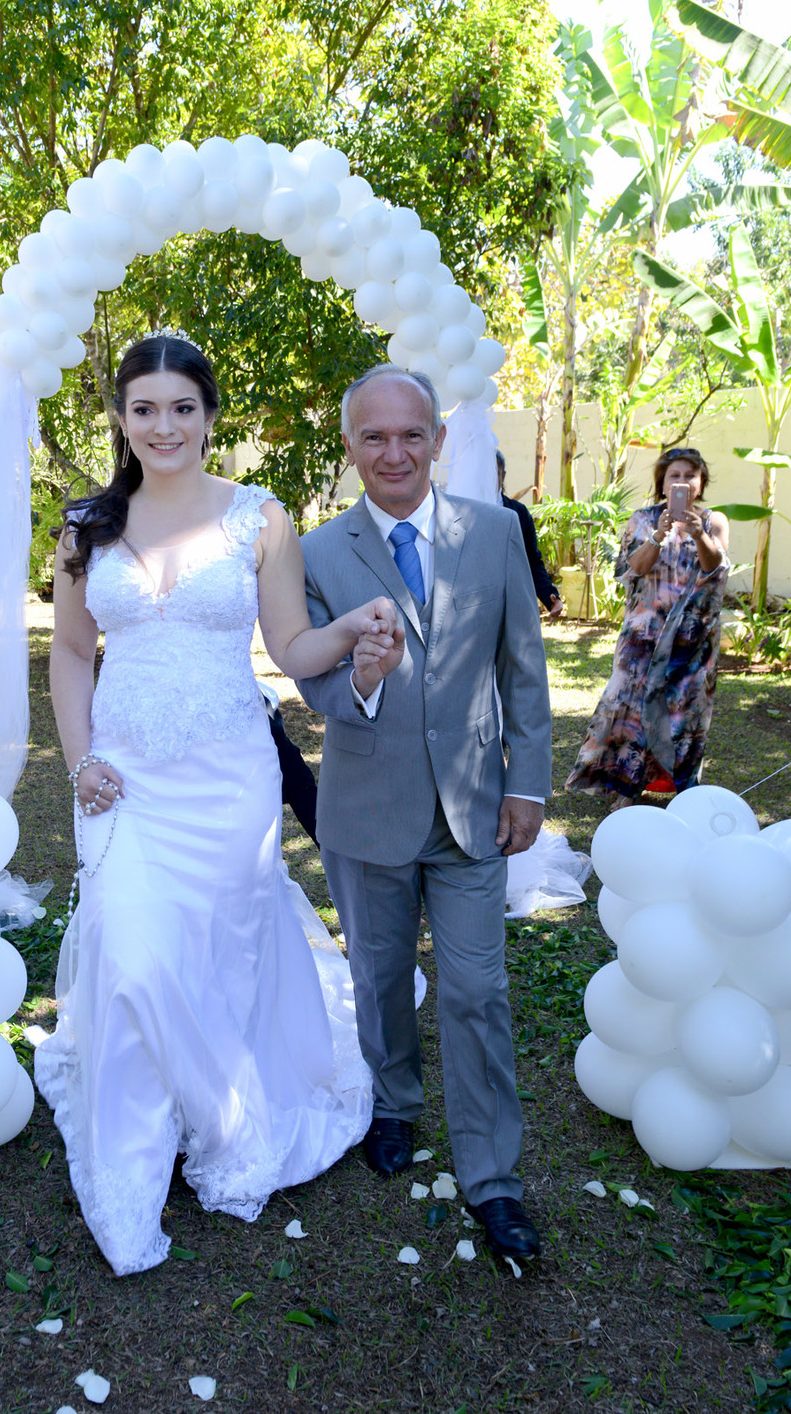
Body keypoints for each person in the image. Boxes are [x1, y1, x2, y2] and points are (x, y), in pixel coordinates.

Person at [32, 333, 392, 1277]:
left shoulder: (258, 519)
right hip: (122, 780)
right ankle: (137, 1159)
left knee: (221, 954)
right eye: (144, 408)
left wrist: (348, 629)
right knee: (134, 958)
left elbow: (291, 644)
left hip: (231, 779)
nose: (164, 426)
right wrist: (79, 760)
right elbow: (72, 654)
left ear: (208, 415)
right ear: (119, 418)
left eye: (182, 408)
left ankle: (229, 1112)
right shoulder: (86, 527)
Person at [297, 365, 552, 1261]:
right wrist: (360, 677)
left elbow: (523, 667)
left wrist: (527, 786)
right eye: (375, 436)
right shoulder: (318, 552)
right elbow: (312, 678)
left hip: (475, 809)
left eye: (412, 434)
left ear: (439, 440)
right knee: (377, 977)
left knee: (479, 990)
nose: (394, 452)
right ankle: (394, 1105)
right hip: (366, 810)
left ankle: (492, 1179)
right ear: (350, 446)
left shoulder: (493, 532)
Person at [565, 447, 729, 808]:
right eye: (675, 475)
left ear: (700, 482)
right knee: (631, 710)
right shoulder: (641, 519)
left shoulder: (713, 521)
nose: (682, 481)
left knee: (684, 715)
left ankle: (683, 796)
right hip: (643, 636)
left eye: (690, 475)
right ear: (662, 482)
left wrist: (699, 534)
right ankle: (626, 788)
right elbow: (632, 569)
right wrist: (658, 535)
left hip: (691, 642)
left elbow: (715, 568)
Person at [497, 451, 563, 618]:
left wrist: (550, 597)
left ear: (503, 475)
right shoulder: (466, 513)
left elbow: (532, 560)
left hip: (510, 605)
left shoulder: (518, 513)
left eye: (494, 473)